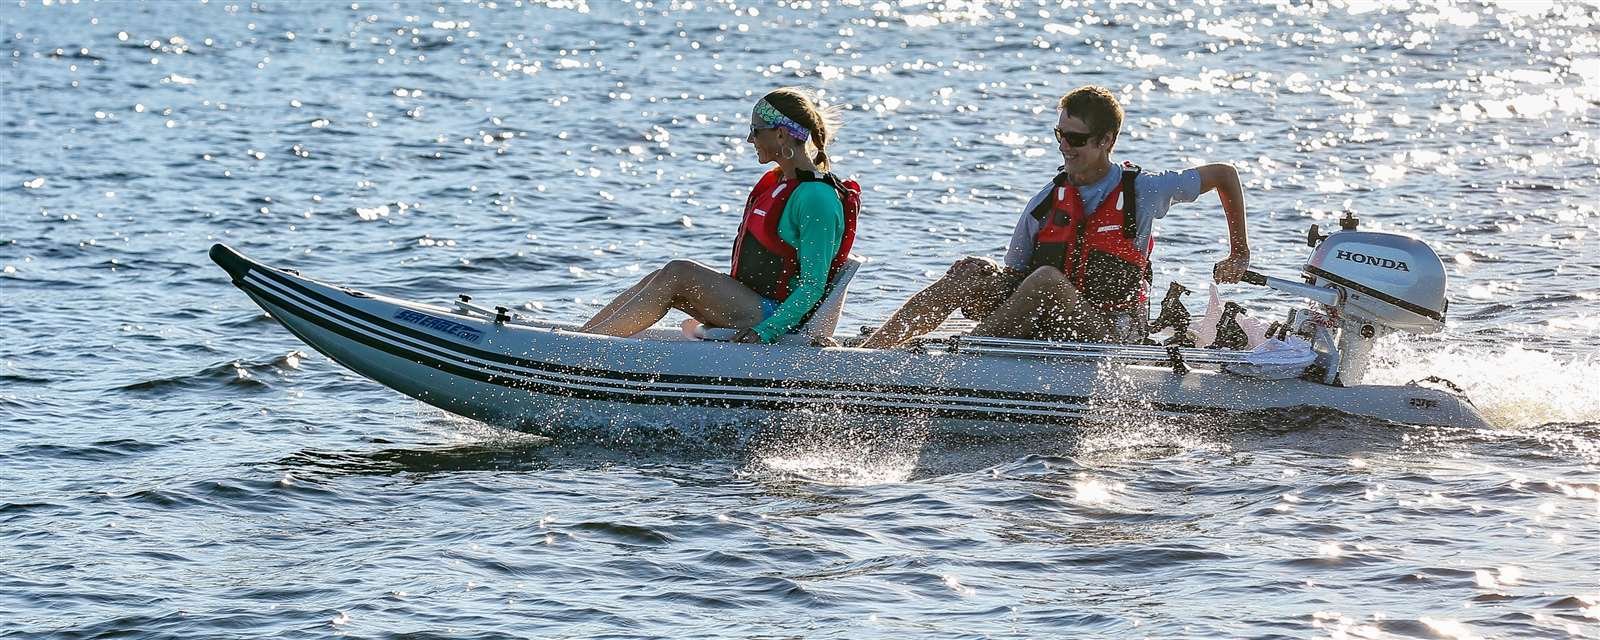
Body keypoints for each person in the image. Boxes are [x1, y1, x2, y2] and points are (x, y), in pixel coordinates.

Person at [860, 85, 1250, 348]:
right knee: (971, 271)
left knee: (1047, 279)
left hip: (1109, 333)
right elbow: (1015, 276)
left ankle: (966, 355)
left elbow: (1224, 175)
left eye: (1075, 139)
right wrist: (981, 279)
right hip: (1048, 323)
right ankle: (870, 355)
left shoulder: (1144, 189)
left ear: (1106, 141)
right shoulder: (1046, 201)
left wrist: (1239, 253)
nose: (1064, 146)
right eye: (1059, 134)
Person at [580, 88, 860, 344]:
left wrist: (766, 332)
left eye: (755, 130)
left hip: (775, 317)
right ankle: (581, 340)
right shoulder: (781, 182)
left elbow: (813, 286)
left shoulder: (816, 197)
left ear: (780, 134)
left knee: (679, 272)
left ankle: (584, 349)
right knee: (661, 276)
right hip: (755, 303)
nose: (750, 139)